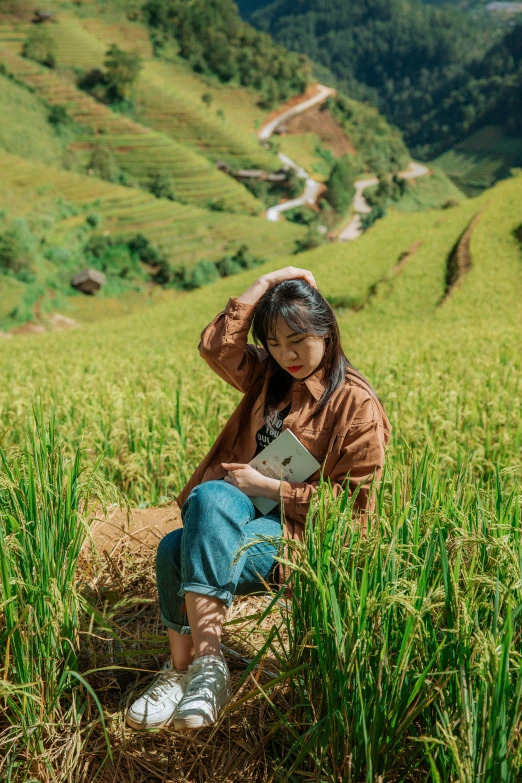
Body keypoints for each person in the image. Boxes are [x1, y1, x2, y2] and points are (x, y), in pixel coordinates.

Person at [126, 266, 391, 731]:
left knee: (177, 546)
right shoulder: (268, 375)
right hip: (236, 507)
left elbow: (355, 509)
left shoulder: (356, 405)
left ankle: (200, 671)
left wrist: (269, 488)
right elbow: (216, 346)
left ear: (326, 332)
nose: (285, 354)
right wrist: (270, 281)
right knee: (202, 508)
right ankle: (194, 670)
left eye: (296, 340)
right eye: (273, 342)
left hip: (294, 530)